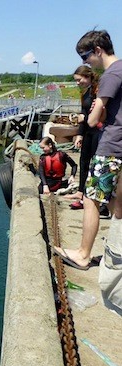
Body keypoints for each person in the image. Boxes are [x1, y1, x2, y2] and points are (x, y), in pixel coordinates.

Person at [53, 29, 122, 278]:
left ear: (98, 51)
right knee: (116, 202)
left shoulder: (110, 74)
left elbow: (94, 119)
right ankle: (116, 249)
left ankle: (83, 254)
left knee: (92, 199)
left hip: (112, 145)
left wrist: (93, 112)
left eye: (85, 56)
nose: (85, 62)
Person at [65, 65, 101, 210]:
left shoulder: (98, 92)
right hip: (87, 132)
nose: (78, 83)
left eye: (79, 80)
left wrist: (83, 117)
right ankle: (80, 192)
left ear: (88, 77)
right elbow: (83, 112)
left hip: (98, 132)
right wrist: (79, 134)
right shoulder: (85, 93)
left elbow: (98, 114)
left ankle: (91, 198)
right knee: (83, 162)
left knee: (94, 166)